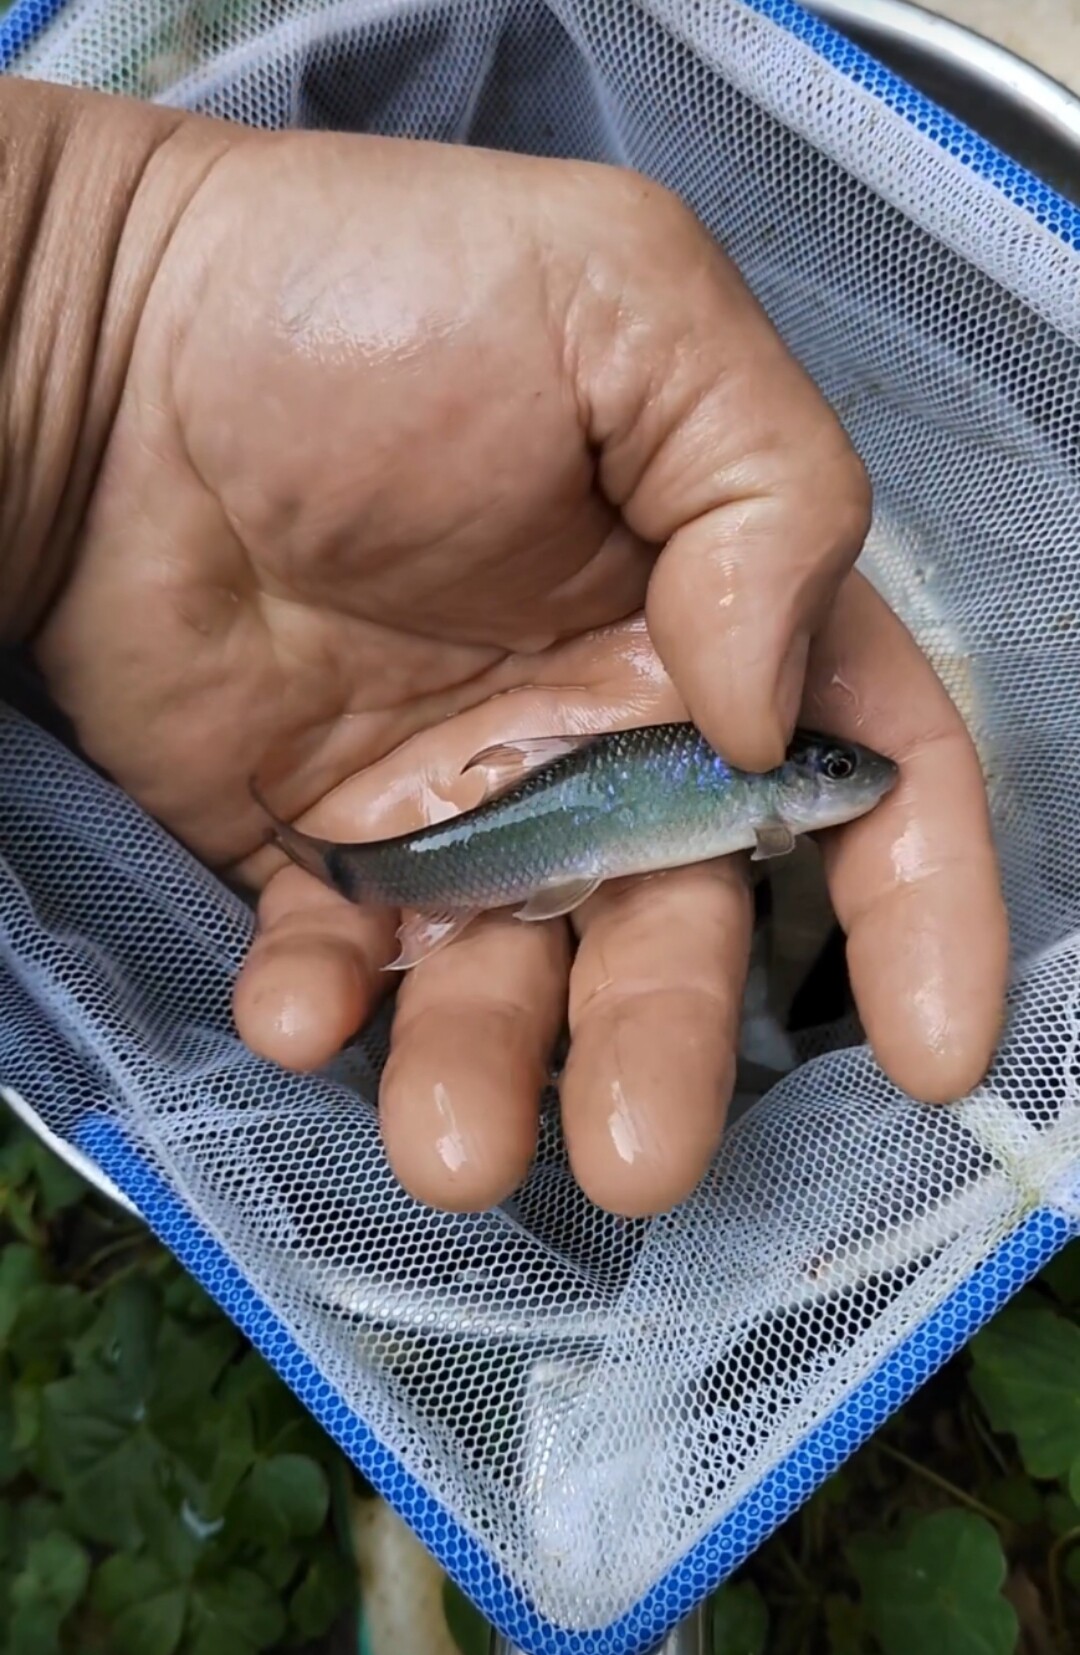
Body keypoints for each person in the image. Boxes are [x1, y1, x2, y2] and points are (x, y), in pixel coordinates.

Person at [0, 75, 1008, 1220]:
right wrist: (83, 297)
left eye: (834, 768)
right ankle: (354, 865)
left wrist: (76, 285)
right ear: (787, 780)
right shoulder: (753, 785)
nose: (852, 776)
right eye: (830, 766)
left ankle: (358, 864)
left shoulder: (761, 781)